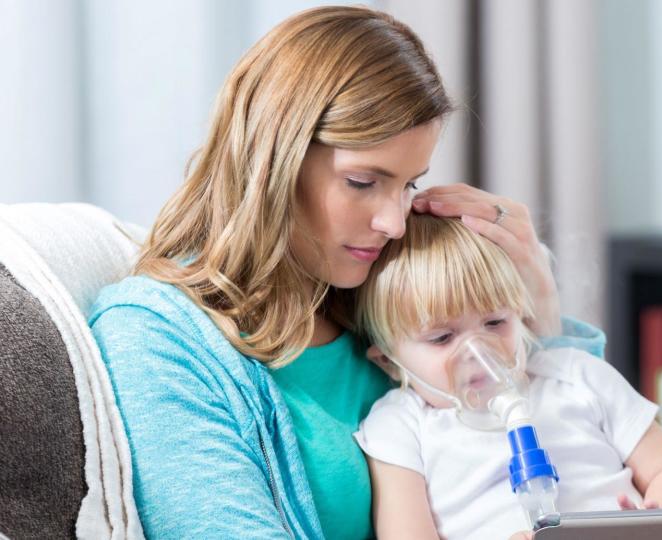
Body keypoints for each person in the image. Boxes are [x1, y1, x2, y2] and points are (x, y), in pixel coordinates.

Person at [89, 6, 605, 539]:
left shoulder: (379, 300)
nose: (394, 223)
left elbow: (584, 464)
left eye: (408, 185)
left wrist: (538, 296)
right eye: (363, 182)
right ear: (274, 162)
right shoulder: (158, 338)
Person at [353, 214, 662, 540]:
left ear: (520, 315)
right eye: (442, 338)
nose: (479, 351)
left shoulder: (575, 375)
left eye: (495, 323)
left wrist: (654, 522)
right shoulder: (400, 426)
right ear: (389, 361)